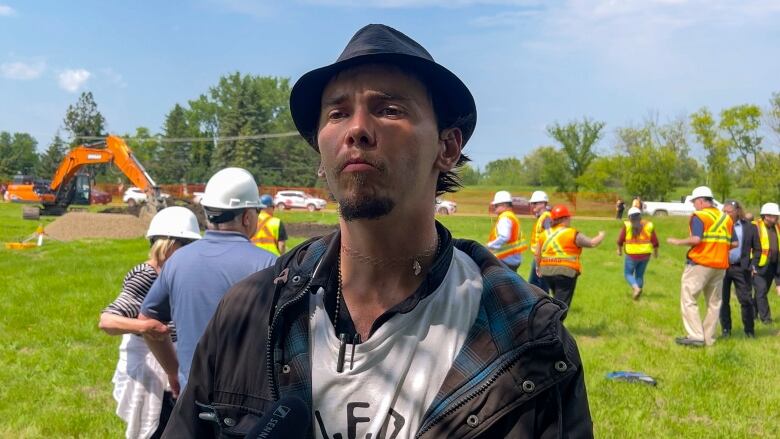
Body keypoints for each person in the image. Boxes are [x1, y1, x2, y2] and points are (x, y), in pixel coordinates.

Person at [164, 24, 592, 438]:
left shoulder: (527, 339)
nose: (357, 130)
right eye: (337, 112)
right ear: (320, 151)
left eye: (389, 109)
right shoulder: (250, 314)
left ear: (447, 147)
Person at [139, 167, 277, 396]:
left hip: (191, 400)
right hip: (247, 404)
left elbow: (148, 322)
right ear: (246, 216)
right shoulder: (270, 265)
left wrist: (173, 372)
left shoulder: (177, 262)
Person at [99, 206, 201, 439]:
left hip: (171, 367)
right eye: (187, 245)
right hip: (154, 373)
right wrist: (147, 327)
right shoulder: (147, 274)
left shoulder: (177, 273)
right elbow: (107, 321)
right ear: (170, 244)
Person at [667, 186, 735, 347]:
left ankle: (695, 336)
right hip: (720, 265)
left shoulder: (700, 216)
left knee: (689, 298)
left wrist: (677, 241)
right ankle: (709, 338)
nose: (693, 205)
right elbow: (734, 242)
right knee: (714, 303)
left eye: (694, 202)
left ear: (701, 201)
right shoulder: (726, 219)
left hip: (701, 263)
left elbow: (696, 239)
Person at [536, 204, 605, 308]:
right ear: (565, 218)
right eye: (569, 217)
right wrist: (601, 235)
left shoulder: (544, 234)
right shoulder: (572, 233)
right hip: (566, 272)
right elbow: (592, 243)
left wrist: (538, 267)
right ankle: (553, 323)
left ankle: (551, 320)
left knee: (556, 299)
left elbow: (537, 253)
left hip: (546, 271)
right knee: (562, 305)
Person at [720, 200, 758, 338]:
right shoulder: (719, 226)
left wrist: (752, 264)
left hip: (741, 268)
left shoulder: (749, 227)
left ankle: (749, 331)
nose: (726, 214)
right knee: (723, 300)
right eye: (724, 211)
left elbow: (757, 249)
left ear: (737, 211)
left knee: (746, 300)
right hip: (722, 267)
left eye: (728, 211)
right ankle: (726, 329)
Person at [616, 207, 659, 300]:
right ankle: (638, 294)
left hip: (632, 255)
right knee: (639, 275)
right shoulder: (649, 225)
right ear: (640, 216)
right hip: (645, 255)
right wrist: (656, 253)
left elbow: (620, 240)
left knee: (628, 274)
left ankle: (636, 288)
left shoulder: (627, 225)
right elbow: (655, 242)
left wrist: (619, 250)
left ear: (629, 217)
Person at [751, 202, 780, 325]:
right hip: (758, 266)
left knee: (761, 292)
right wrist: (751, 265)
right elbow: (747, 247)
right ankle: (766, 319)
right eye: (774, 216)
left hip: (772, 265)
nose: (777, 218)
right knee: (761, 291)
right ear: (766, 216)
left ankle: (752, 314)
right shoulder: (754, 227)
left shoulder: (777, 227)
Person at [486, 190, 527, 271]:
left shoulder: (505, 218)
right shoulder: (511, 216)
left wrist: (489, 246)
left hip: (505, 259)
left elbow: (504, 237)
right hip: (513, 259)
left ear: (504, 205)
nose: (494, 208)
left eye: (496, 205)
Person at [528, 190, 552, 292]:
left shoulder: (546, 218)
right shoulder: (542, 217)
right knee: (541, 285)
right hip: (539, 255)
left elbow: (549, 235)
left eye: (535, 203)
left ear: (543, 203)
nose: (532, 205)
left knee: (535, 284)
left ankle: (540, 306)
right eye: (532, 203)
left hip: (542, 256)